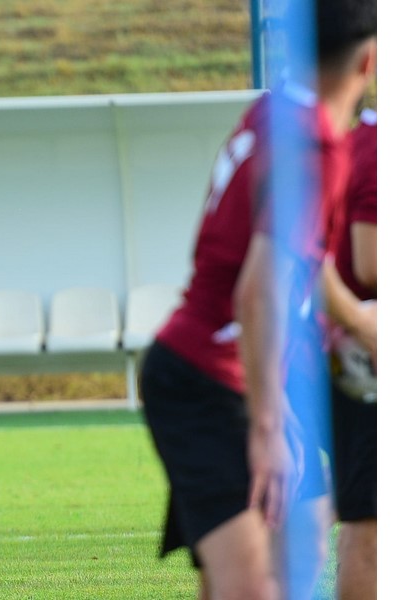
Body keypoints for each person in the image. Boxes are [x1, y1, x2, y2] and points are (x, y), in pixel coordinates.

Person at [138, 1, 376, 598]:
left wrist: (356, 324)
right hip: (205, 380)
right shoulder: (317, 143)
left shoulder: (278, 112)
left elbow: (303, 260)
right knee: (254, 587)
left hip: (224, 372)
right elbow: (259, 289)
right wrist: (270, 424)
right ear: (368, 61)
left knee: (300, 541)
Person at [322, 106, 377, 600]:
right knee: (371, 526)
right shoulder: (378, 146)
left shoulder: (357, 139)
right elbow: (372, 262)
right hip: (366, 359)